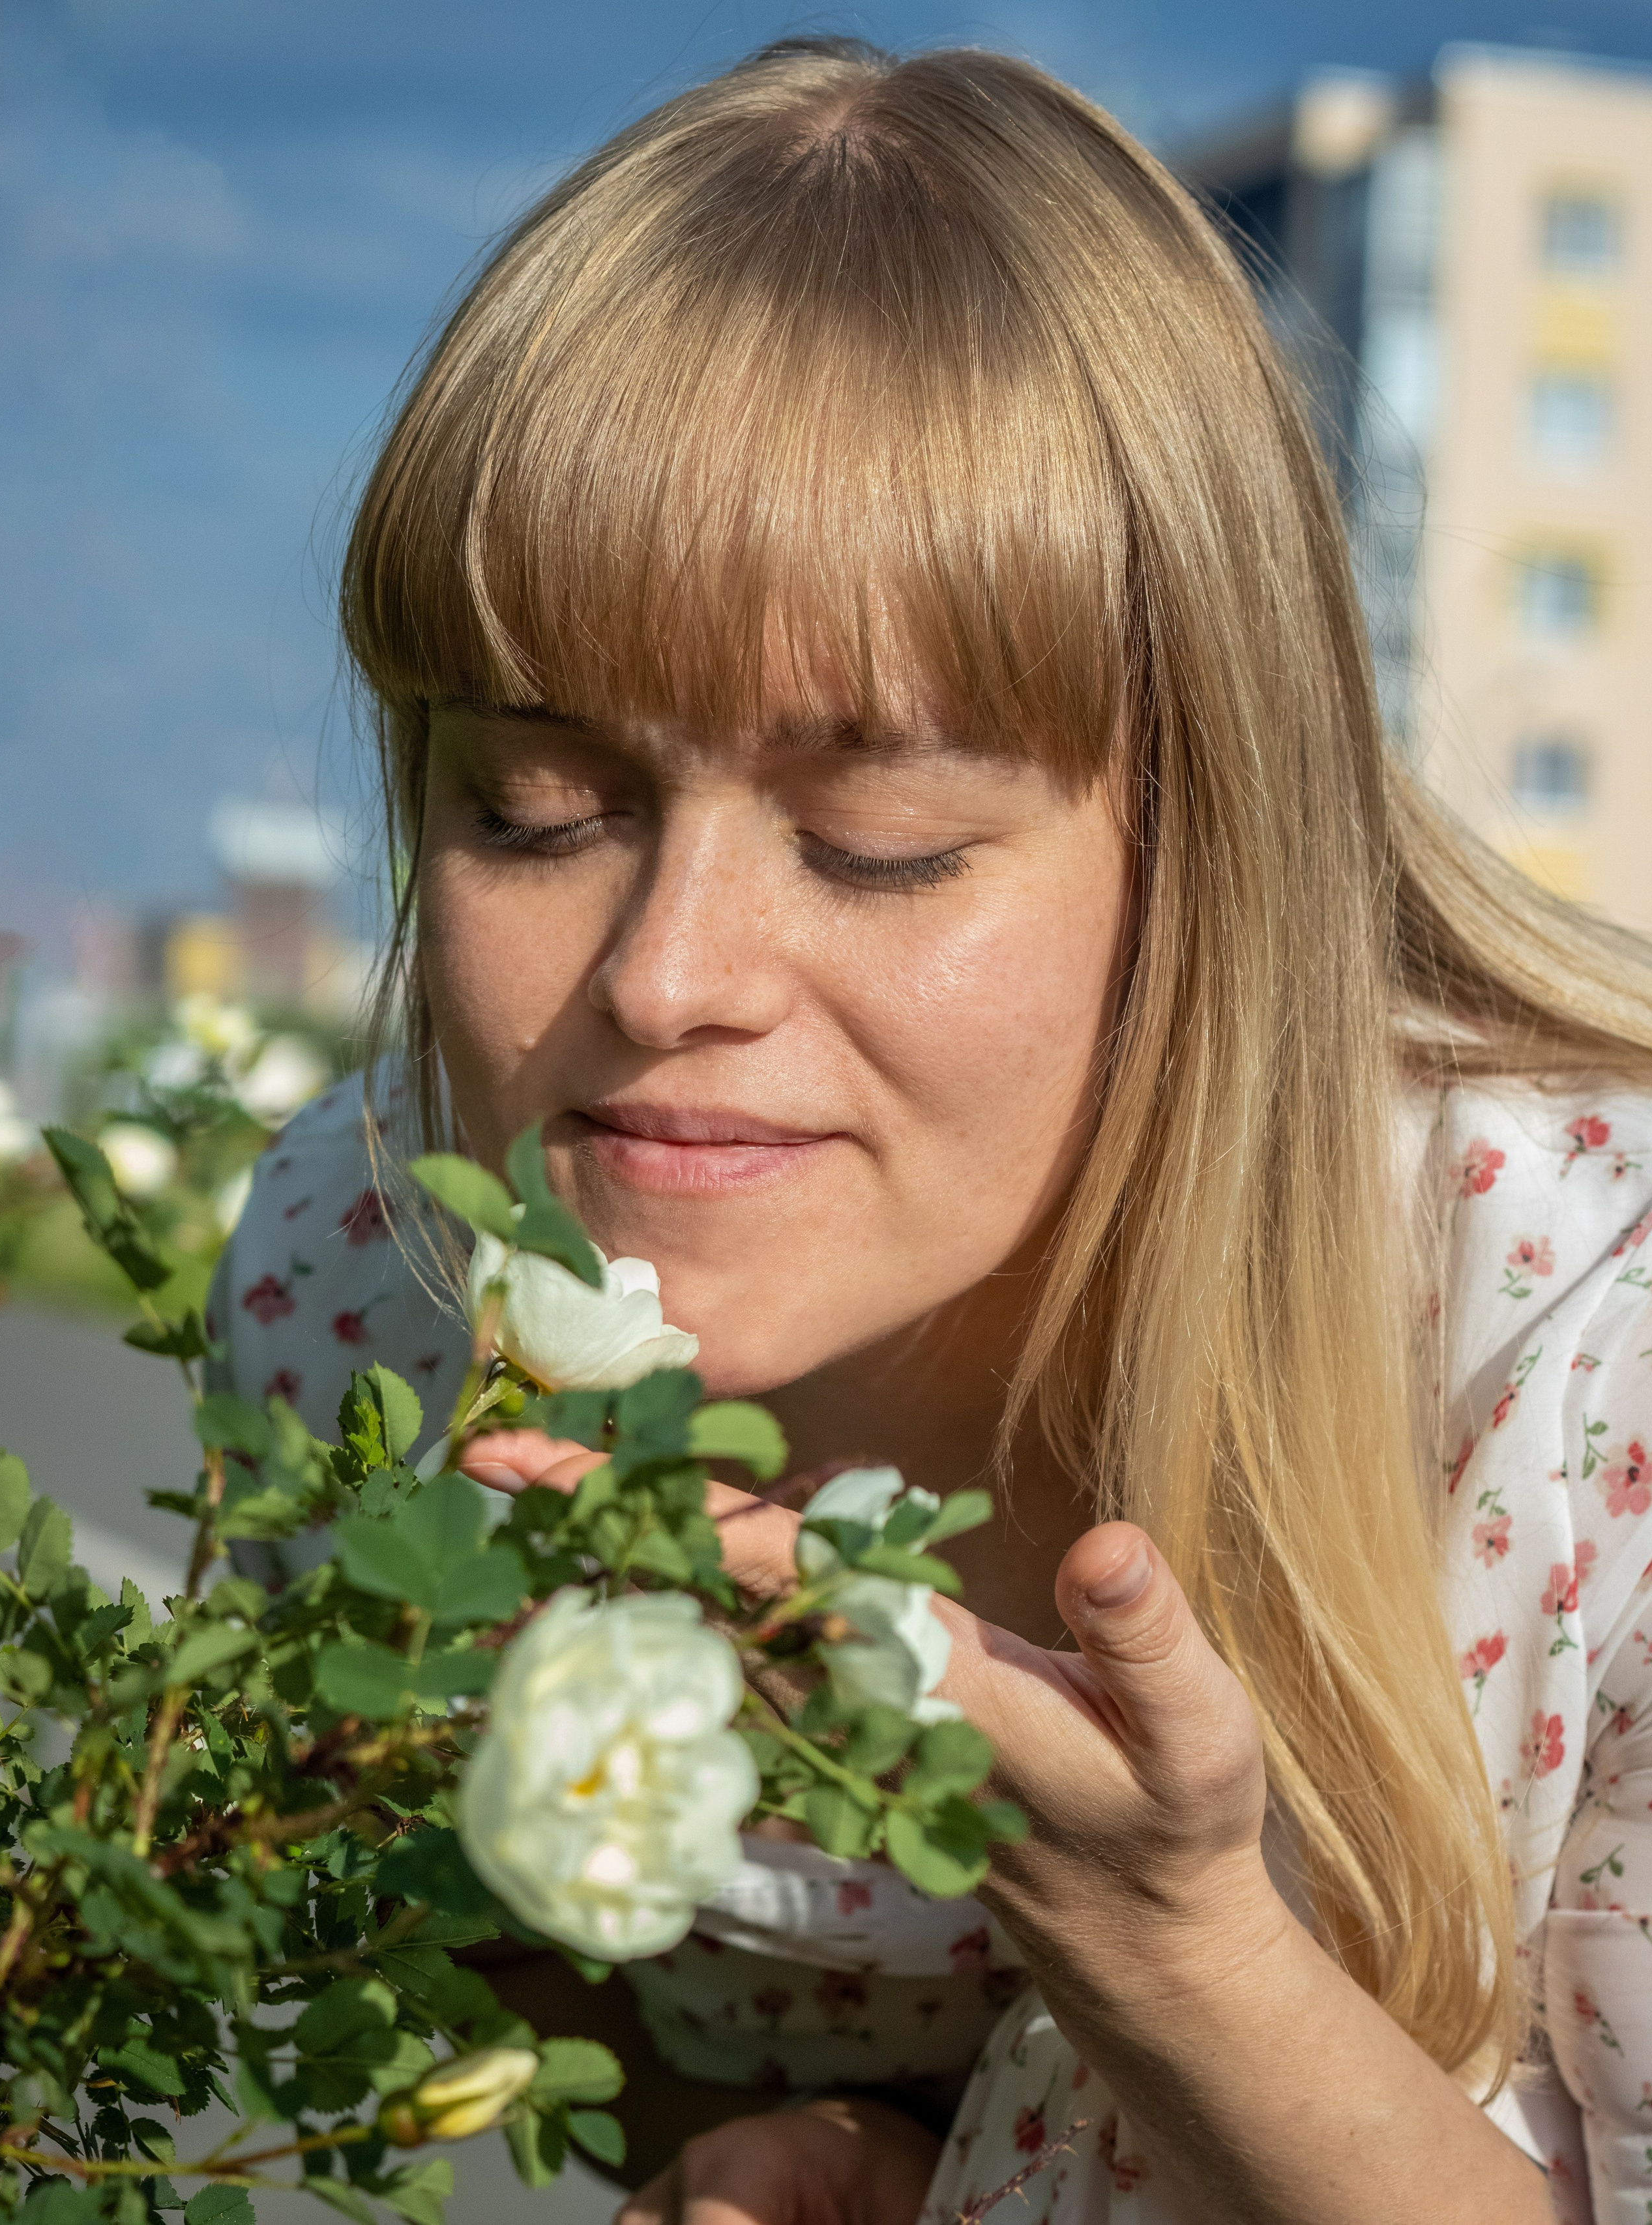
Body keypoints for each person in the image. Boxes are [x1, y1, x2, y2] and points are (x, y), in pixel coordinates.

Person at [206, 37, 1652, 2225]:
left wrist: (1178, 1962)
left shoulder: (1587, 1363)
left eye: (876, 835)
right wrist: (836, 2158)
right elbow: (524, 1973)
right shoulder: (373, 1289)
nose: (668, 973)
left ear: (1211, 853)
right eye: (535, 806)